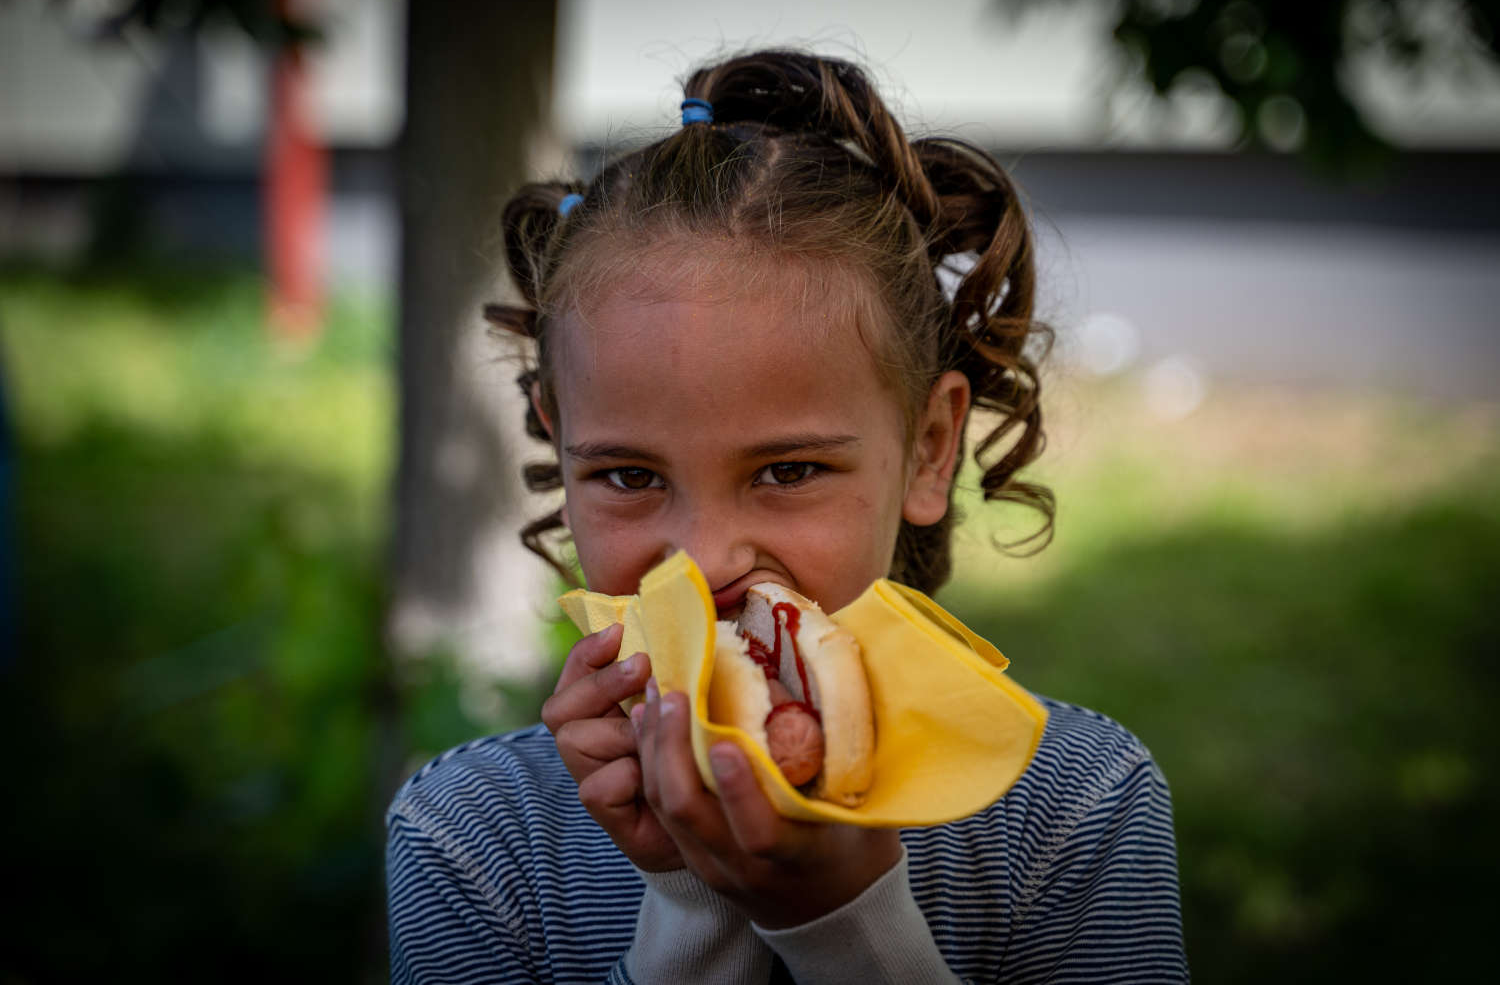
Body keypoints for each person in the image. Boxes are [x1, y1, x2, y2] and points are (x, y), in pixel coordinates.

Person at [386, 49, 1188, 984]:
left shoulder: (1076, 807)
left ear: (929, 449)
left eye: (789, 469)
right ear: (561, 449)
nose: (704, 558)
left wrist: (845, 924)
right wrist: (695, 905)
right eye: (630, 476)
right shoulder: (472, 835)